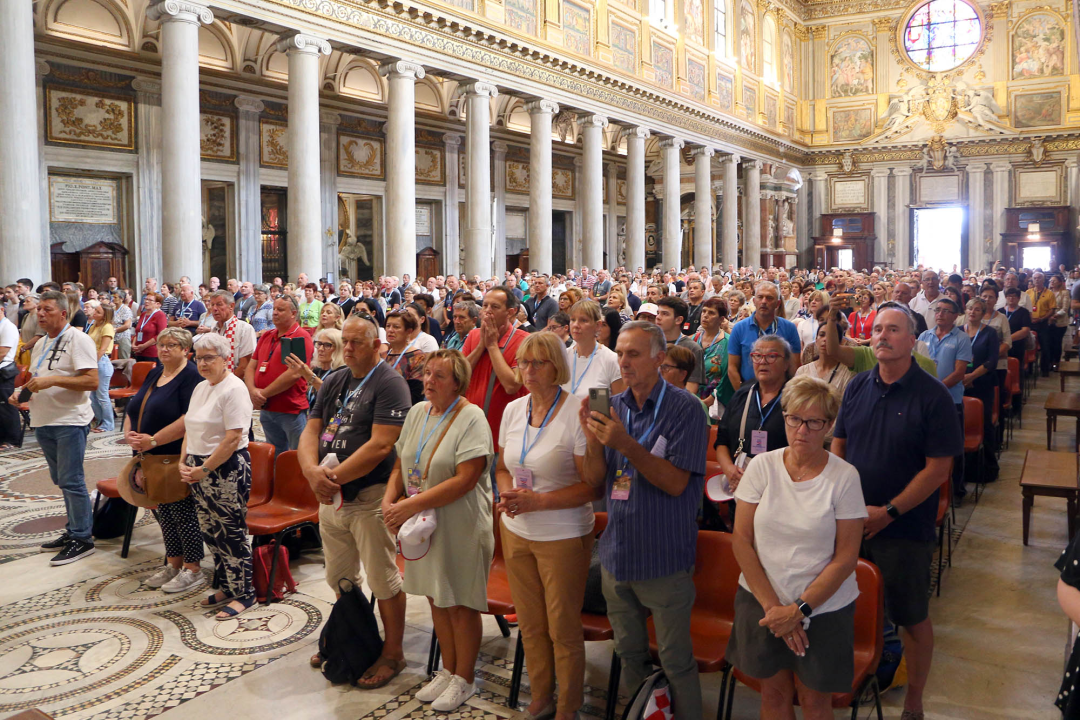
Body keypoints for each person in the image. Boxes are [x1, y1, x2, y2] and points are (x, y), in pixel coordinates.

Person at [831, 303, 962, 720]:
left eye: (893, 330)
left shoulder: (932, 395)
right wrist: (842, 502)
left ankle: (914, 703)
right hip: (852, 521)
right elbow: (840, 444)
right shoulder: (857, 386)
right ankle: (851, 679)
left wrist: (888, 511)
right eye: (877, 330)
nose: (882, 336)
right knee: (846, 608)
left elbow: (939, 468)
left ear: (912, 340)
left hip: (904, 526)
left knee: (910, 616)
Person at [579, 320, 708, 720]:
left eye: (634, 354)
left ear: (660, 358)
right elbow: (597, 482)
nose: (624, 362)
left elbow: (673, 483)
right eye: (619, 353)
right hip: (618, 555)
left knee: (674, 659)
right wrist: (591, 439)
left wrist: (625, 444)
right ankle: (645, 714)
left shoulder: (686, 408)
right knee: (629, 654)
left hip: (662, 557)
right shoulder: (611, 405)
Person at [728, 376, 867, 719]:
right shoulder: (762, 466)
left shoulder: (844, 477)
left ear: (829, 426)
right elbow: (742, 541)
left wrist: (798, 611)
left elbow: (846, 557)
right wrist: (775, 609)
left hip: (822, 609)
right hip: (762, 601)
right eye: (794, 419)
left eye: (814, 422)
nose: (801, 430)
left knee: (814, 701)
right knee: (773, 695)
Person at [299, 314, 412, 688]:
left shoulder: (390, 382)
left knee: (382, 579)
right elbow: (312, 428)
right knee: (340, 577)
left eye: (356, 343)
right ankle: (353, 637)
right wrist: (311, 472)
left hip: (368, 496)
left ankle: (393, 653)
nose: (347, 349)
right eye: (344, 341)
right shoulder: (334, 379)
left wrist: (331, 479)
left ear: (377, 345)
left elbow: (382, 444)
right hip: (332, 497)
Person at [381, 349, 494, 710]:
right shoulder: (417, 412)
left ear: (457, 383)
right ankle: (447, 670)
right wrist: (389, 499)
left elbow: (466, 479)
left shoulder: (472, 416)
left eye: (439, 376)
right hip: (423, 523)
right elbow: (400, 464)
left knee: (460, 602)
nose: (429, 381)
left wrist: (407, 506)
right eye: (427, 374)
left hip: (461, 522)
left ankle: (466, 679)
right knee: (435, 597)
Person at [494, 333, 600, 720]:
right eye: (523, 362)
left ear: (557, 367)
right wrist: (508, 495)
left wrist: (537, 501)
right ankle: (541, 695)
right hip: (518, 529)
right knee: (531, 623)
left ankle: (568, 706)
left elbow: (591, 486)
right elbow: (504, 467)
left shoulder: (576, 413)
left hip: (562, 533)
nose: (529, 370)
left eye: (538, 362)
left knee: (563, 628)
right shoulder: (514, 409)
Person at [11, 290, 99, 565]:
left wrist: (52, 382)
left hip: (70, 420)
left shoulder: (79, 339)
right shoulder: (40, 343)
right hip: (44, 419)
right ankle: (74, 529)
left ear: (63, 313)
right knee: (60, 480)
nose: (40, 314)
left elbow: (91, 381)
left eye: (47, 309)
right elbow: (39, 378)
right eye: (38, 309)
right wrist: (21, 392)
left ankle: (82, 538)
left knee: (71, 481)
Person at [179, 333, 256, 619]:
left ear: (227, 360)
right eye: (198, 358)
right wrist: (183, 461)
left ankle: (245, 592)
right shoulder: (201, 387)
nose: (202, 363)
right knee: (210, 531)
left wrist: (204, 469)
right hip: (198, 468)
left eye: (209, 357)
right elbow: (189, 427)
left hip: (226, 468)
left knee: (231, 532)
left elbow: (234, 437)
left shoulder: (234, 389)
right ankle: (227, 585)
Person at [126, 327, 206, 593]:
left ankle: (193, 569)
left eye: (172, 345)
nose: (164, 349)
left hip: (175, 452)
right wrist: (129, 434)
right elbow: (134, 405)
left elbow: (188, 419)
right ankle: (173, 564)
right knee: (164, 512)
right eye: (161, 344)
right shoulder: (155, 372)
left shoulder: (191, 376)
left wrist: (154, 439)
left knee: (184, 514)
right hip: (150, 455)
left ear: (186, 350)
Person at [245, 295, 314, 455]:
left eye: (280, 310)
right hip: (267, 407)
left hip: (289, 408)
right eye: (274, 309)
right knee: (274, 454)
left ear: (293, 313)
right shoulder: (267, 336)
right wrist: (252, 391)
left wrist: (262, 394)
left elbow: (294, 374)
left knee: (298, 456)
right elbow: (251, 366)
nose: (275, 313)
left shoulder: (299, 336)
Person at [462, 286, 527, 453]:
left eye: (495, 307)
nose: (487, 312)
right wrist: (480, 346)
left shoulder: (524, 340)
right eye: (485, 306)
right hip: (471, 430)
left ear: (511, 312)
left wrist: (491, 346)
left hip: (504, 433)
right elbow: (459, 377)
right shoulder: (473, 336)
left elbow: (512, 385)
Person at [918, 298, 971, 500]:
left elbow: (959, 373)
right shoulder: (924, 336)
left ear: (955, 315)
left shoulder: (961, 338)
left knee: (952, 448)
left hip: (951, 401)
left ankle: (956, 489)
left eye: (945, 311)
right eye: (938, 310)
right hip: (924, 402)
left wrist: (936, 389)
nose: (940, 314)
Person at [728, 282, 801, 392]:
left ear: (777, 303)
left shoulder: (789, 328)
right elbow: (732, 367)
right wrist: (742, 394)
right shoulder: (739, 328)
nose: (764, 302)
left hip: (781, 392)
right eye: (760, 297)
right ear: (754, 301)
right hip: (748, 390)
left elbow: (794, 366)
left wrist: (786, 394)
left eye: (769, 298)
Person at [961, 298, 999, 484]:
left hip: (981, 384)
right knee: (961, 426)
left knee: (984, 424)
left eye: (977, 309)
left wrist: (972, 377)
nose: (972, 312)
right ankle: (964, 471)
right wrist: (961, 378)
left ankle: (987, 468)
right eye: (969, 308)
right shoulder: (959, 332)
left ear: (983, 313)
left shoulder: (990, 333)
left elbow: (992, 361)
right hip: (959, 384)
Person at [562, 300, 624, 400]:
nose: (576, 325)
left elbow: (620, 407)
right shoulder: (562, 357)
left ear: (598, 325)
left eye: (583, 320)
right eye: (573, 319)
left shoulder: (611, 360)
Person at [655, 296, 705, 395]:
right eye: (658, 313)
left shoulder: (692, 348)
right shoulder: (649, 344)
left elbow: (691, 389)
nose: (658, 317)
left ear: (678, 320)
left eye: (665, 314)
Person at [200, 291, 256, 377]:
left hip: (236, 383)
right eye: (212, 305)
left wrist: (226, 382)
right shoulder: (213, 329)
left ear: (231, 306)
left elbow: (245, 366)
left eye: (219, 304)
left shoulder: (244, 329)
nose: (214, 309)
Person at [286, 327, 345, 407]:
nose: (320, 349)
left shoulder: (343, 372)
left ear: (339, 348)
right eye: (319, 344)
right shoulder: (317, 370)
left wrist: (309, 375)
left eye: (327, 345)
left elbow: (333, 396)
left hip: (332, 418)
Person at [692, 297, 733, 413]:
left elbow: (727, 378)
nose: (705, 315)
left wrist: (710, 400)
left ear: (721, 319)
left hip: (714, 405)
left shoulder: (728, 343)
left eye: (711, 313)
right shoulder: (693, 339)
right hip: (689, 399)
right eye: (704, 311)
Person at [84, 301, 115, 432]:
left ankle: (108, 423)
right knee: (92, 396)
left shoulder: (107, 327)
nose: (94, 313)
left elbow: (102, 349)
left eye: (98, 312)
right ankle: (100, 420)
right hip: (92, 360)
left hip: (101, 362)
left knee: (102, 395)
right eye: (95, 310)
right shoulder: (94, 325)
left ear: (105, 315)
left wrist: (91, 363)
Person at [385, 309, 426, 405]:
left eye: (396, 327)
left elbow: (416, 396)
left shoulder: (418, 357)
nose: (390, 330)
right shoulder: (381, 356)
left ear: (409, 331)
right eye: (388, 326)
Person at [1027, 272, 1056, 377]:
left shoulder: (1049, 293)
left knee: (1045, 346)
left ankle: (1044, 369)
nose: (1037, 280)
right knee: (1029, 346)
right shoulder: (1028, 292)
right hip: (1030, 323)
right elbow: (1025, 308)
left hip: (1043, 323)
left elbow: (1052, 309)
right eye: (1035, 278)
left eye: (1039, 278)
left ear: (1043, 280)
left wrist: (1042, 318)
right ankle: (1028, 370)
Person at [0, 313, 21, 449]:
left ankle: (12, 439)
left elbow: (2, 352)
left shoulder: (8, 327)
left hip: (4, 370)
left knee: (7, 406)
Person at [132, 292, 167, 364]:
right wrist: (133, 344)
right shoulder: (143, 314)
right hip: (139, 351)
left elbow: (161, 335)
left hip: (152, 353)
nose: (146, 301)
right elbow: (138, 331)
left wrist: (144, 346)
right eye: (146, 299)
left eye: (150, 300)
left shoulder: (160, 315)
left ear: (158, 304)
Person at [1049, 273, 1070, 372]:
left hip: (1059, 321)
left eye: (1054, 281)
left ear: (1059, 283)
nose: (1051, 282)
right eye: (1051, 281)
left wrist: (1054, 316)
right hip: (1048, 321)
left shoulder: (1064, 293)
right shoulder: (1048, 292)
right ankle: (1049, 361)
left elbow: (1064, 308)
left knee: (1057, 343)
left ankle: (1056, 362)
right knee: (1050, 343)